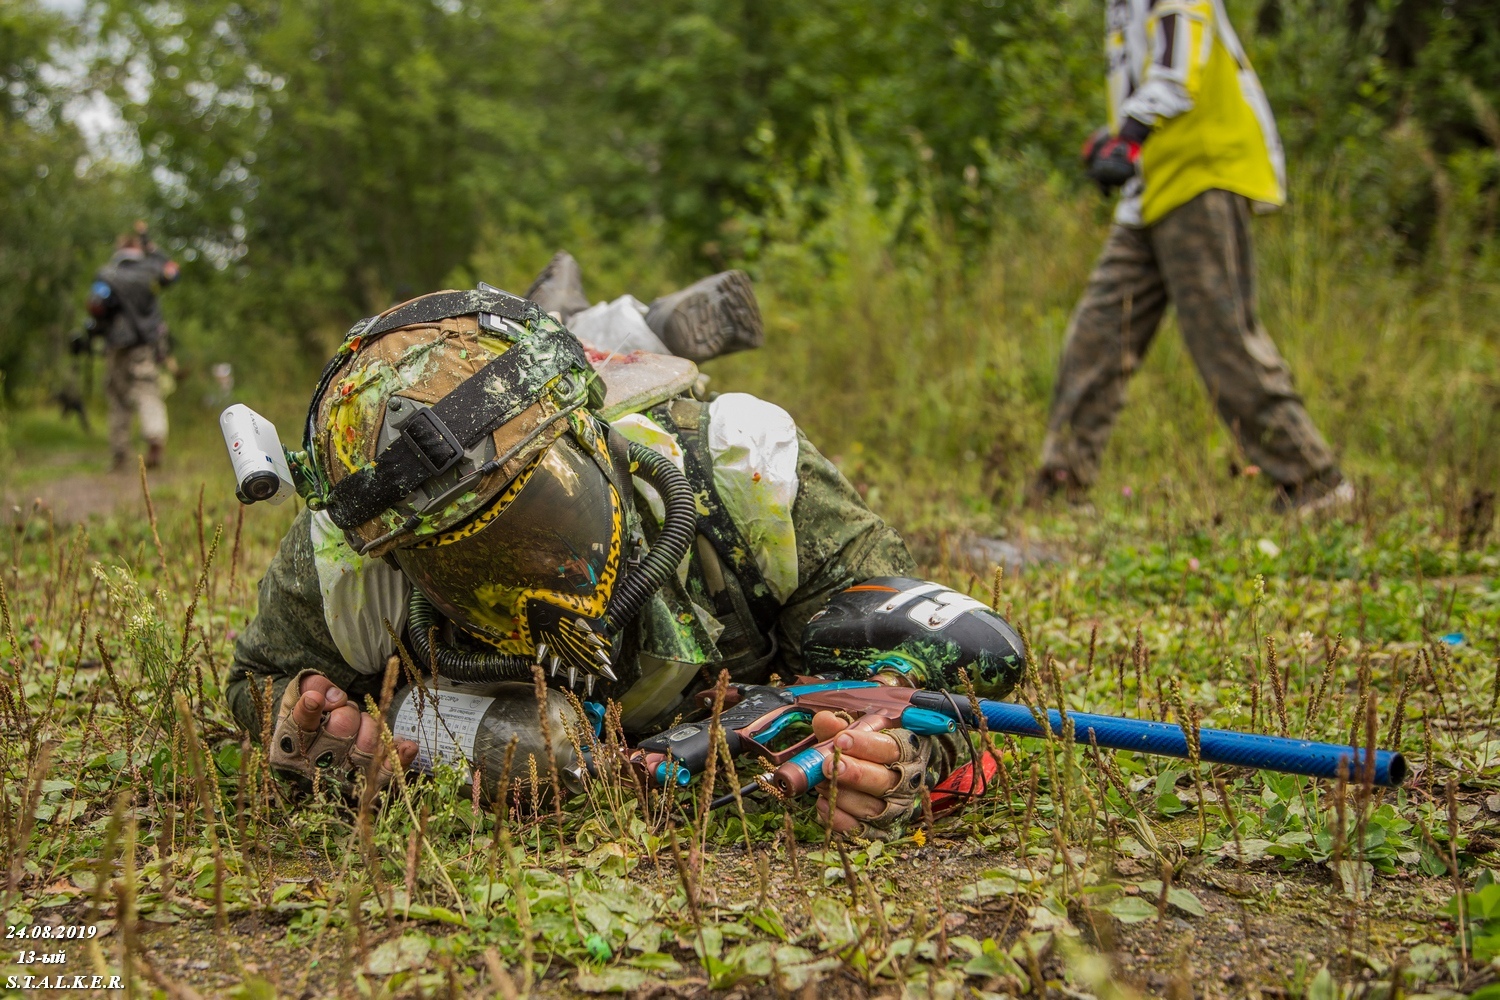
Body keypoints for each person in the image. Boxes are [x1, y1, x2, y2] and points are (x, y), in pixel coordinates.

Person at [226, 277, 1023, 839]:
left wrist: (901, 761)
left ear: (590, 439)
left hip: (598, 387)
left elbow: (924, 657)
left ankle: (609, 322)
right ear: (402, 553)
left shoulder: (745, 470)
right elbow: (259, 680)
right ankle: (580, 310)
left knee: (580, 346)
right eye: (464, 561)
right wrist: (313, 728)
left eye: (544, 510)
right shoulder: (353, 546)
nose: (531, 577)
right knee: (536, 357)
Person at [1030, 0, 1351, 513]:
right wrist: (1113, 139)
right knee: (1098, 332)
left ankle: (1314, 480)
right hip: (1150, 191)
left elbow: (1179, 71)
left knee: (1221, 335)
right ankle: (1062, 483)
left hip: (1202, 179)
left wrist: (1129, 135)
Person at [89, 221, 179, 469]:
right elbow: (173, 270)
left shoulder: (107, 274)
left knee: (118, 398)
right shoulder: (151, 272)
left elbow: (96, 304)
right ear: (140, 251)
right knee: (147, 391)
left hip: (117, 344)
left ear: (119, 250)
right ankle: (155, 436)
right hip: (146, 344)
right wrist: (154, 250)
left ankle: (120, 455)